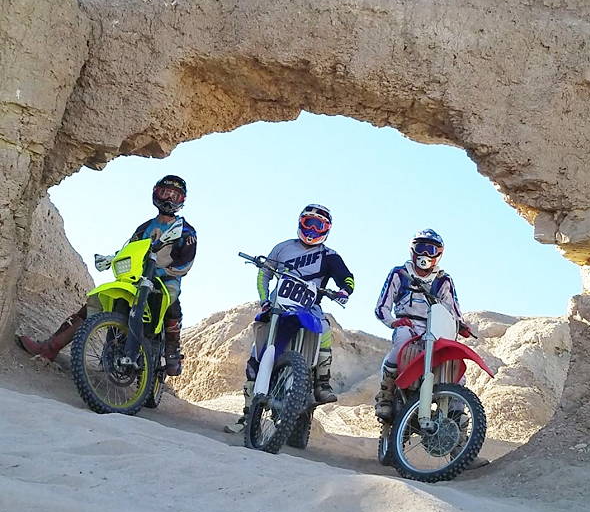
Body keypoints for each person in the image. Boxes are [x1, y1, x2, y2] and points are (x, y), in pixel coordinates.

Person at [16, 175, 197, 377]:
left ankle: (172, 351)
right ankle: (50, 347)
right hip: (137, 278)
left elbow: (186, 262)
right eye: (165, 193)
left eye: (174, 195)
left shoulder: (186, 231)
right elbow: (129, 250)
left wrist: (163, 272)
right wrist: (113, 259)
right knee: (93, 305)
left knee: (170, 299)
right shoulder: (144, 228)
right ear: (156, 193)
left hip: (166, 279)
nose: (169, 199)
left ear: (181, 200)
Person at [224, 203, 354, 434]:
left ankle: (322, 382)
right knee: (255, 356)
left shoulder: (330, 256)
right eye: (309, 223)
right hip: (277, 305)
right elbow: (264, 272)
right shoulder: (282, 248)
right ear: (300, 223)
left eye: (319, 225)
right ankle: (247, 416)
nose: (312, 229)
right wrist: (264, 298)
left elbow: (347, 278)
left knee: (325, 330)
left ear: (326, 229)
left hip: (308, 308)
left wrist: (344, 290)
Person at [373, 228, 471, 420]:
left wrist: (461, 324)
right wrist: (393, 322)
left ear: (439, 254)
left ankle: (457, 411)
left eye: (431, 250)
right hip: (407, 324)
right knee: (401, 343)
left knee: (453, 362)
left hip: (435, 328)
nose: (425, 253)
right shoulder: (400, 274)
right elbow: (381, 306)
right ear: (412, 250)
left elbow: (453, 308)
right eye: (421, 248)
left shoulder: (443, 280)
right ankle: (386, 394)